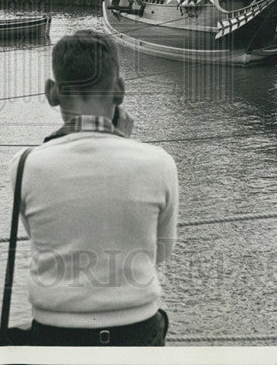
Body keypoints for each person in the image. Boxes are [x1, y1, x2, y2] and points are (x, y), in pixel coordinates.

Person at [13, 30, 177, 346]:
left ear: (52, 92)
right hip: (136, 327)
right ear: (120, 91)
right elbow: (158, 253)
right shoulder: (159, 163)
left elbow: (47, 239)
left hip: (56, 331)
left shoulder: (23, 166)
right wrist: (121, 142)